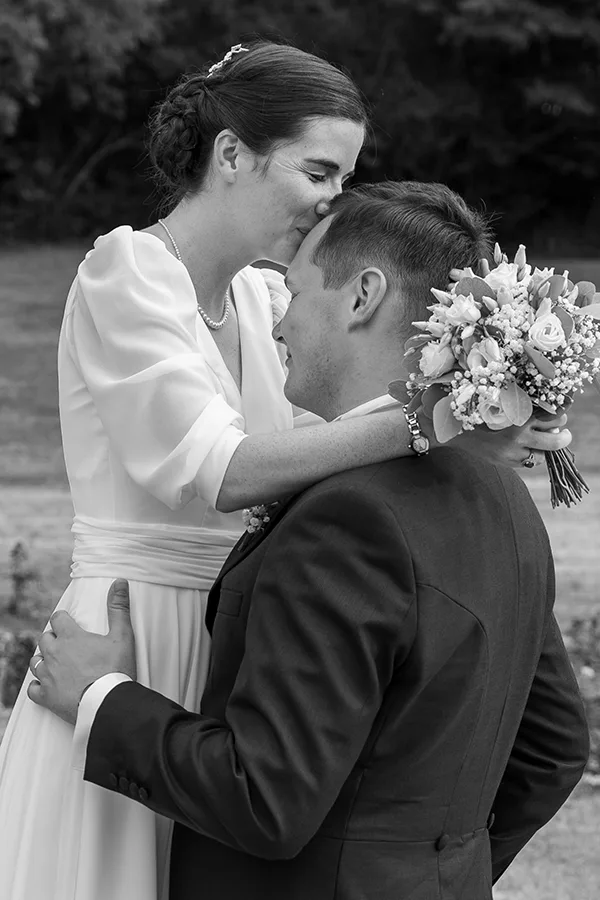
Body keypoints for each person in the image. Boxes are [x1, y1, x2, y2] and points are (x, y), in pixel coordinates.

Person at [30, 181, 589, 900]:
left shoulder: (345, 518)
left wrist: (100, 696)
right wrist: (430, 874)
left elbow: (265, 799)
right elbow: (553, 750)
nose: (277, 325)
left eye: (293, 294)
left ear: (362, 298)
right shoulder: (503, 495)